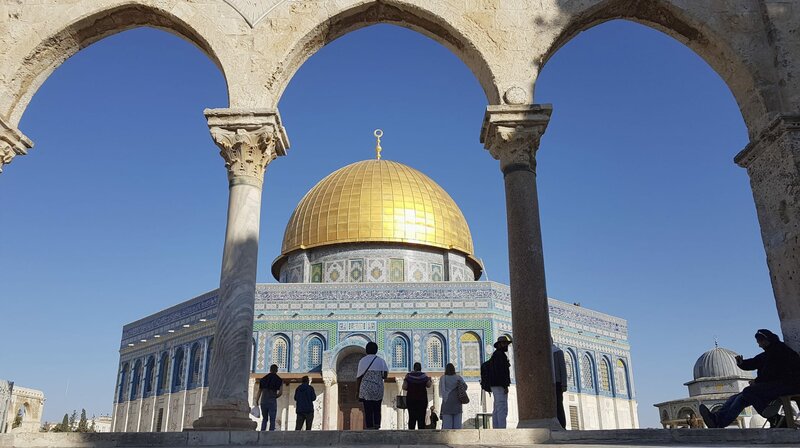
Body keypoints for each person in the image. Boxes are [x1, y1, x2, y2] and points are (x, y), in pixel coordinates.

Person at [699, 329, 800, 428]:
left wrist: (757, 381)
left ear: (766, 340)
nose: (759, 345)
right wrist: (741, 363)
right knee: (737, 398)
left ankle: (770, 413)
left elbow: (772, 371)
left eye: (760, 342)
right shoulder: (768, 353)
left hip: (788, 385)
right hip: (775, 385)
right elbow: (754, 362)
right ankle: (717, 420)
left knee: (748, 391)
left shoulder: (779, 351)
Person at [357, 342, 388, 430]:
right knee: (377, 407)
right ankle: (377, 425)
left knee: (368, 408)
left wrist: (357, 391)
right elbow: (385, 375)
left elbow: (359, 377)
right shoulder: (381, 361)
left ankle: (369, 426)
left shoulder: (362, 361)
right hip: (378, 387)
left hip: (366, 388)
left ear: (366, 350)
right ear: (376, 350)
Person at [489, 335, 512, 429]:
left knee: (497, 407)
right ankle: (501, 429)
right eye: (505, 344)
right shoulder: (500, 355)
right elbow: (501, 372)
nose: (506, 346)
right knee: (502, 407)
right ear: (500, 345)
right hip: (499, 385)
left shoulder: (496, 355)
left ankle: (497, 428)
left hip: (495, 385)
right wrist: (505, 385)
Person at [403, 362, 432, 429]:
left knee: (412, 417)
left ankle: (411, 433)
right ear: (420, 368)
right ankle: (421, 434)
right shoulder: (424, 376)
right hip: (422, 400)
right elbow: (429, 385)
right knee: (421, 418)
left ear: (414, 368)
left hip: (411, 399)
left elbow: (404, 387)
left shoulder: (409, 376)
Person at [254, 364, 283, 431]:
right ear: (276, 370)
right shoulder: (279, 380)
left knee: (265, 419)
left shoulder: (263, 379)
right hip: (272, 401)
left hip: (263, 401)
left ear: (270, 369)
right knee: (272, 419)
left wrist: (257, 400)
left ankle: (263, 431)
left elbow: (259, 391)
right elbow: (280, 392)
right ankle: (271, 433)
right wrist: (275, 396)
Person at [439, 363, 467, 429]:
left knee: (447, 426)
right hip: (457, 402)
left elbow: (441, 392)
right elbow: (465, 387)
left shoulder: (443, 378)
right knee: (457, 426)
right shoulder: (458, 378)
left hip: (447, 403)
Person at [552, 344, 568, 429]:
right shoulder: (545, 353)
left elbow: (562, 369)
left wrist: (564, 384)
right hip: (549, 384)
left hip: (557, 383)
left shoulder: (558, 352)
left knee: (558, 405)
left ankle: (562, 425)